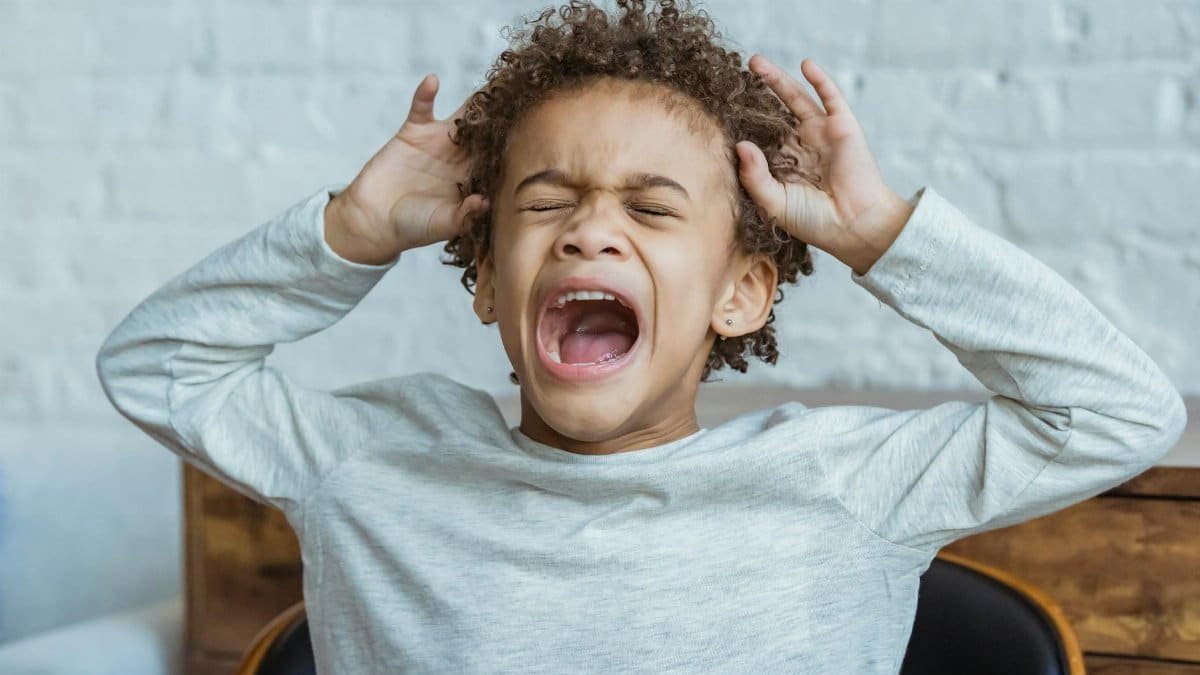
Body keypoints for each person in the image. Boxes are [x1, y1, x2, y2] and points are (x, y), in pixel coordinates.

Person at [96, 1, 1186, 672]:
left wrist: (886, 238)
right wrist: (352, 231)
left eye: (652, 210)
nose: (591, 233)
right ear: (484, 282)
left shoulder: (847, 483)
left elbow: (1120, 413)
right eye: (546, 202)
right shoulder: (369, 463)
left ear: (742, 294)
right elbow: (154, 365)